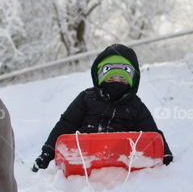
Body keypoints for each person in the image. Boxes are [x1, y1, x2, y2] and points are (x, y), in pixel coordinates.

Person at [32, 44, 173, 172]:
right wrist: (47, 152)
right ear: (100, 78)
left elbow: (151, 132)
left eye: (122, 79)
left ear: (131, 81)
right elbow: (66, 124)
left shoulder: (135, 105)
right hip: (84, 161)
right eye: (110, 79)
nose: (116, 83)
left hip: (120, 164)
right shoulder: (86, 98)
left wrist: (164, 153)